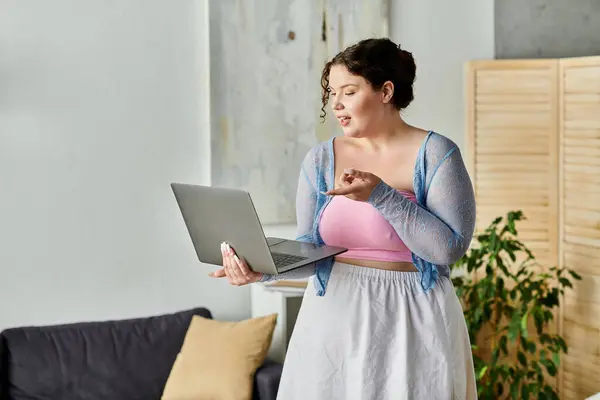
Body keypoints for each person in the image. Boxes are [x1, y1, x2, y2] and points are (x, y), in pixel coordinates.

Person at [212, 37, 477, 400]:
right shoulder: (321, 159)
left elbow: (448, 249)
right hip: (332, 316)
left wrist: (382, 196)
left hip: (412, 319)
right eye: (332, 92)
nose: (336, 104)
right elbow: (311, 249)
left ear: (385, 91)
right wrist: (264, 269)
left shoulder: (436, 153)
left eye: (348, 91)